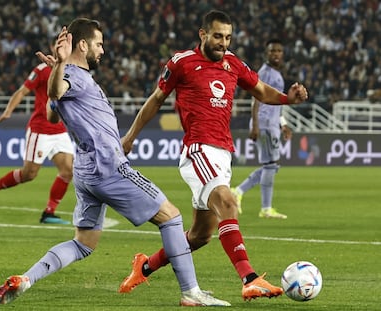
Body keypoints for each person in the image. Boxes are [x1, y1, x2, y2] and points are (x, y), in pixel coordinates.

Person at [0, 18, 230, 307]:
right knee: (172, 217)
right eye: (99, 44)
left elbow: (53, 111)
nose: (102, 50)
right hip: (109, 168)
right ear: (83, 45)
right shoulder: (73, 75)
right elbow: (56, 93)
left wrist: (58, 70)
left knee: (83, 244)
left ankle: (27, 279)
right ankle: (191, 292)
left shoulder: (73, 75)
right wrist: (58, 67)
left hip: (86, 171)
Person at [118, 10, 308, 301]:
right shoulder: (181, 63)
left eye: (228, 37)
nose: (223, 43)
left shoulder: (233, 64)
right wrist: (130, 137)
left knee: (199, 236)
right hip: (198, 149)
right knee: (229, 201)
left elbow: (260, 90)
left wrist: (287, 99)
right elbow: (156, 99)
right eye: (218, 36)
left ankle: (144, 266)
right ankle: (249, 278)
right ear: (203, 34)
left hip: (223, 152)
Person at [0, 38, 73, 225]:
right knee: (29, 174)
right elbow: (22, 91)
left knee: (68, 171)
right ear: (53, 48)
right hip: (40, 130)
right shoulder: (41, 70)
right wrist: (8, 112)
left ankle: (49, 212)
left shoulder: (71, 71)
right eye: (58, 45)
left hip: (59, 129)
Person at [231, 39, 291, 219]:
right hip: (264, 123)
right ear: (267, 54)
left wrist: (283, 123)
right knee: (271, 165)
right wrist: (255, 124)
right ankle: (265, 208)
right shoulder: (265, 72)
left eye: (279, 51)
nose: (276, 54)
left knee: (271, 166)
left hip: (271, 124)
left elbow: (276, 103)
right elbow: (256, 98)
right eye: (273, 51)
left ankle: (239, 192)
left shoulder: (276, 74)